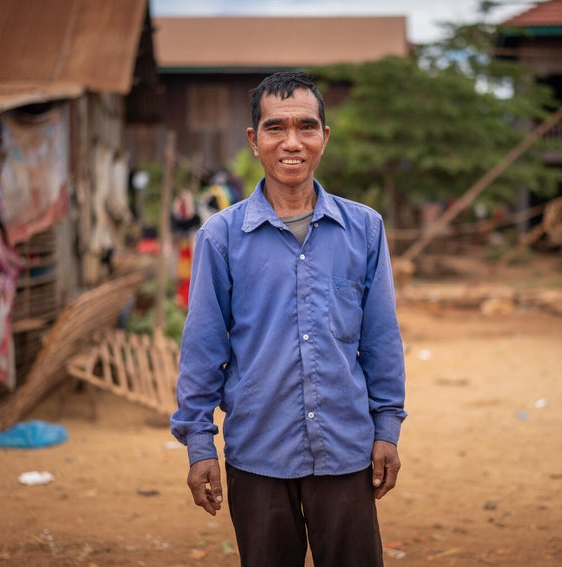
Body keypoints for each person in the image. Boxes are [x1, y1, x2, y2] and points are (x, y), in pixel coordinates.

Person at [170, 71, 407, 567]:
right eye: (276, 128)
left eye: (307, 126)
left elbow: (381, 339)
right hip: (258, 453)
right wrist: (198, 444)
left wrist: (386, 427)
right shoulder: (221, 236)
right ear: (254, 141)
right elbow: (203, 348)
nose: (292, 142)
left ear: (325, 136)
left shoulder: (363, 229)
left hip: (346, 450)